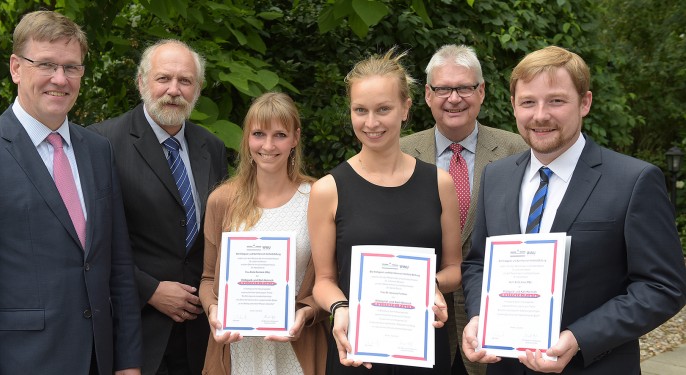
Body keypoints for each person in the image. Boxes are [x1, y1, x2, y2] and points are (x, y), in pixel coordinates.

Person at [0, 10, 142, 374]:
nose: (60, 79)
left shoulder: (98, 150)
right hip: (20, 362)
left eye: (72, 67)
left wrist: (128, 362)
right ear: (16, 68)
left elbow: (118, 267)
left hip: (99, 361)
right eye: (46, 64)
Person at [461, 45, 686, 374]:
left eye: (556, 100)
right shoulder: (497, 176)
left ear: (585, 103)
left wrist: (580, 337)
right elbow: (479, 262)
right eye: (528, 102)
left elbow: (663, 287)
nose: (540, 115)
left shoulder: (633, 180)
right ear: (513, 106)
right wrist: (481, 316)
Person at [309, 48, 463, 374]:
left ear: (406, 108)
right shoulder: (328, 189)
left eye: (383, 109)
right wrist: (340, 307)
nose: (371, 122)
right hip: (356, 351)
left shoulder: (439, 183)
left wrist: (426, 285)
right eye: (360, 110)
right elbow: (323, 280)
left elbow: (454, 268)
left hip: (422, 350)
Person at [89, 39, 228, 375]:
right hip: (134, 330)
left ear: (197, 89)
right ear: (141, 82)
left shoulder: (212, 146)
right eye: (163, 78)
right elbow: (91, 241)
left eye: (185, 81)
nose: (174, 90)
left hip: (200, 330)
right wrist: (149, 289)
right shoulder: (100, 143)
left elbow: (221, 233)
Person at [400, 44, 527, 375]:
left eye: (464, 87)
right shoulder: (399, 153)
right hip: (417, 323)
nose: (453, 98)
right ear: (427, 95)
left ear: (481, 91)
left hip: (494, 323)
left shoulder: (518, 151)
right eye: (442, 88)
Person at [199, 92, 328, 374]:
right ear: (247, 138)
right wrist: (213, 311)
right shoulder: (222, 200)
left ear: (295, 138)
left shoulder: (317, 197)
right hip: (236, 350)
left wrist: (306, 314)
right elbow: (208, 279)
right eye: (259, 133)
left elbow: (330, 281)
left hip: (296, 349)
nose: (268, 145)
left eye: (279, 135)